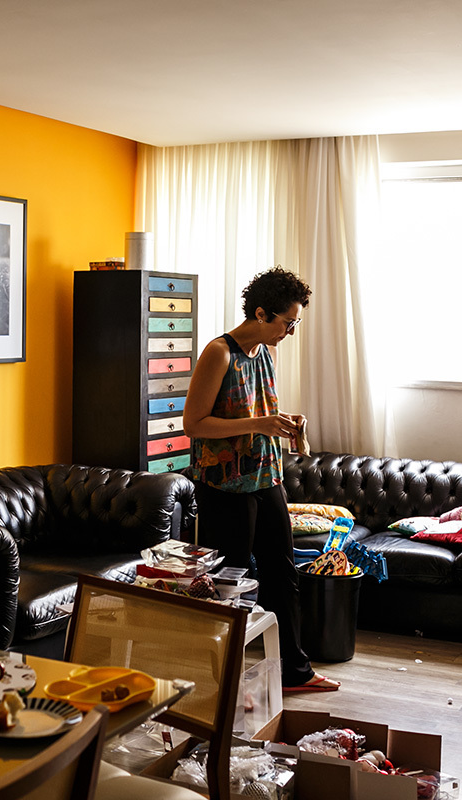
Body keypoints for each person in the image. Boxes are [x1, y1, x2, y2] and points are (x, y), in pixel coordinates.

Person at [182, 266, 339, 693]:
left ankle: (295, 672)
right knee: (228, 583)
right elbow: (193, 424)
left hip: (267, 478)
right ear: (261, 312)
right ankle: (218, 681)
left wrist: (283, 421)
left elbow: (255, 414)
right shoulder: (219, 353)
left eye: (295, 323)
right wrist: (260, 423)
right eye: (288, 322)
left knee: (282, 576)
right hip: (225, 488)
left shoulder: (264, 354)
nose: (291, 331)